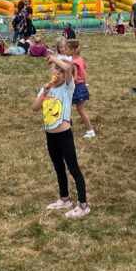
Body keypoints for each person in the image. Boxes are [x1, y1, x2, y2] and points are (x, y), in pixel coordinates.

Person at [33, 49, 90, 219]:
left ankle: (83, 204)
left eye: (60, 71)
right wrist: (43, 92)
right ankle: (64, 198)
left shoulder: (67, 88)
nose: (57, 73)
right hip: (50, 135)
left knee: (73, 168)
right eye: (54, 70)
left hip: (64, 135)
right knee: (58, 168)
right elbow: (34, 108)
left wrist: (54, 59)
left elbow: (68, 67)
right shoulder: (47, 89)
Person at [62, 38, 95, 139]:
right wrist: (85, 83)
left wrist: (67, 79)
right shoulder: (80, 59)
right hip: (82, 86)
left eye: (66, 49)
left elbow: (75, 78)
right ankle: (66, 125)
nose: (64, 50)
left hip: (77, 88)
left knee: (81, 110)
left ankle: (90, 130)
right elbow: (84, 72)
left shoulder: (74, 62)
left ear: (72, 50)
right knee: (73, 107)